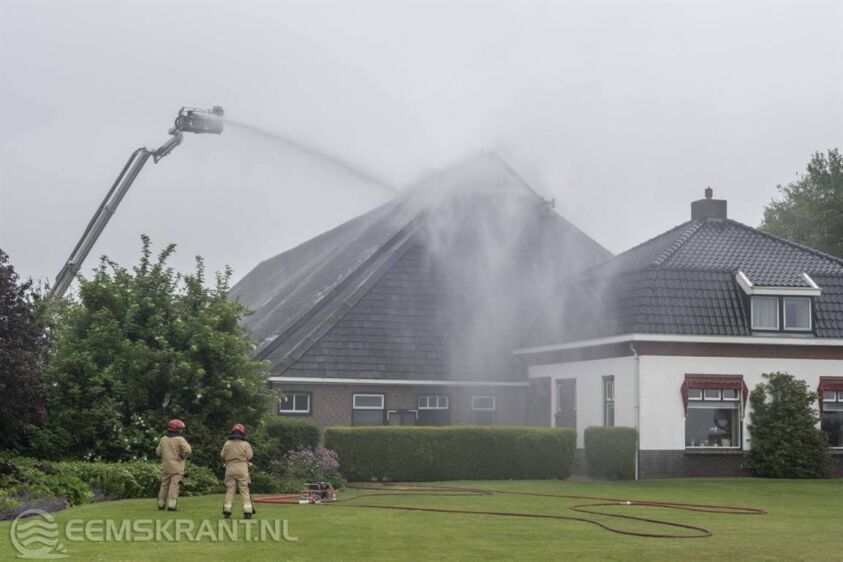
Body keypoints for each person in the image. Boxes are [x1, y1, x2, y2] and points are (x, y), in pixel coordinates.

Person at [155, 419, 192, 511]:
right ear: (177, 429)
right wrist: (181, 456)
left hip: (166, 467)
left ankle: (161, 504)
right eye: (180, 429)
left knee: (164, 485)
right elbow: (188, 451)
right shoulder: (180, 439)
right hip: (177, 468)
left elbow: (158, 452)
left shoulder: (163, 439)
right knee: (174, 485)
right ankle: (172, 505)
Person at [220, 423, 255, 518]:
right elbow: (250, 456)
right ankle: (247, 512)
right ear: (242, 433)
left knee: (230, 490)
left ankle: (227, 511)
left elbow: (222, 455)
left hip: (230, 468)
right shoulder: (245, 444)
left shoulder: (227, 443)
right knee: (244, 490)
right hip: (242, 468)